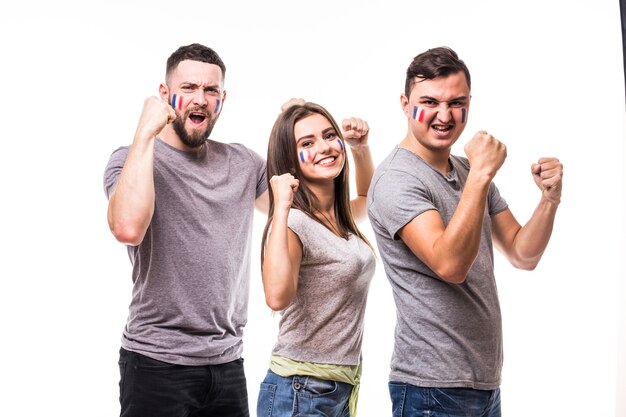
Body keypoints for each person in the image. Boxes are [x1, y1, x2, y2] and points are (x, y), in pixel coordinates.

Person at [367, 46, 563, 416]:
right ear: (405, 104)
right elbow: (450, 264)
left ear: (469, 103)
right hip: (431, 389)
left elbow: (523, 254)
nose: (444, 116)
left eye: (456, 102)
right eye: (430, 102)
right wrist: (482, 174)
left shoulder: (467, 172)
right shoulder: (397, 178)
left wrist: (549, 200)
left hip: (484, 385)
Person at [103, 43, 269, 417]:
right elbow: (127, 227)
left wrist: (300, 123)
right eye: (189, 88)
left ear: (222, 99)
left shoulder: (243, 163)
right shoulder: (130, 160)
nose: (201, 99)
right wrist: (145, 133)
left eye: (211, 91)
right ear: (165, 95)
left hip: (227, 364)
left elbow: (301, 208)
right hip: (156, 364)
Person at [256, 102, 376, 417]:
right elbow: (276, 297)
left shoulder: (340, 219)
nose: (324, 147)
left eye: (328, 136)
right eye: (307, 143)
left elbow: (369, 199)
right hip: (300, 391)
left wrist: (360, 149)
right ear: (291, 161)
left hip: (336, 388)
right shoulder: (294, 223)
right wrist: (281, 205)